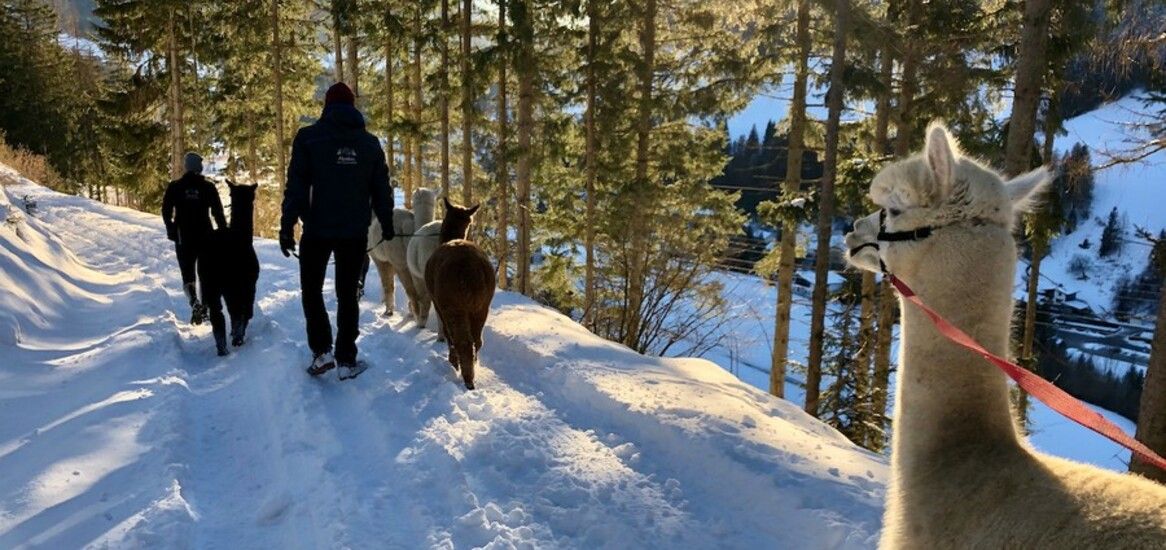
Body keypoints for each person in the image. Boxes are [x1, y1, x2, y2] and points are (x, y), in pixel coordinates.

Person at [280, 82, 394, 380]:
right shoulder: (370, 144)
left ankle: (321, 353)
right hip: (354, 232)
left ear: (327, 106)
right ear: (352, 107)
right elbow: (382, 188)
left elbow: (296, 186)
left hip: (316, 229)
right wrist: (387, 221)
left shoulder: (308, 138)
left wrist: (286, 224)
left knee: (312, 291)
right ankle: (346, 359)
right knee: (347, 293)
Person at [163, 152, 227, 326]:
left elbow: (166, 211)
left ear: (186, 166)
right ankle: (205, 306)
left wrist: (171, 229)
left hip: (183, 237)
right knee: (206, 273)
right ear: (198, 167)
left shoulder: (175, 186)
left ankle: (194, 302)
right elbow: (217, 213)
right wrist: (223, 233)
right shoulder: (208, 187)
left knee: (188, 274)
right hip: (205, 236)